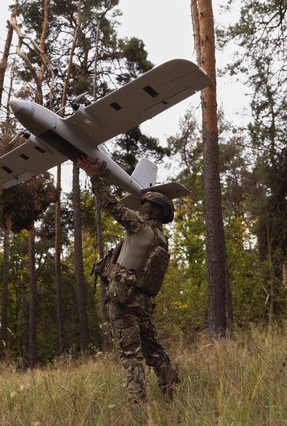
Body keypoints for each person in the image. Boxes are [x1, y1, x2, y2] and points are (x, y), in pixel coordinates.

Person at [78, 157, 180, 403]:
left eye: (145, 204)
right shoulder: (161, 239)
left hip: (123, 301)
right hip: (143, 302)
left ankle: (138, 406)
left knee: (130, 356)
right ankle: (172, 392)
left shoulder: (140, 228)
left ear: (152, 210)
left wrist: (95, 177)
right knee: (154, 351)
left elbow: (111, 205)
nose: (141, 206)